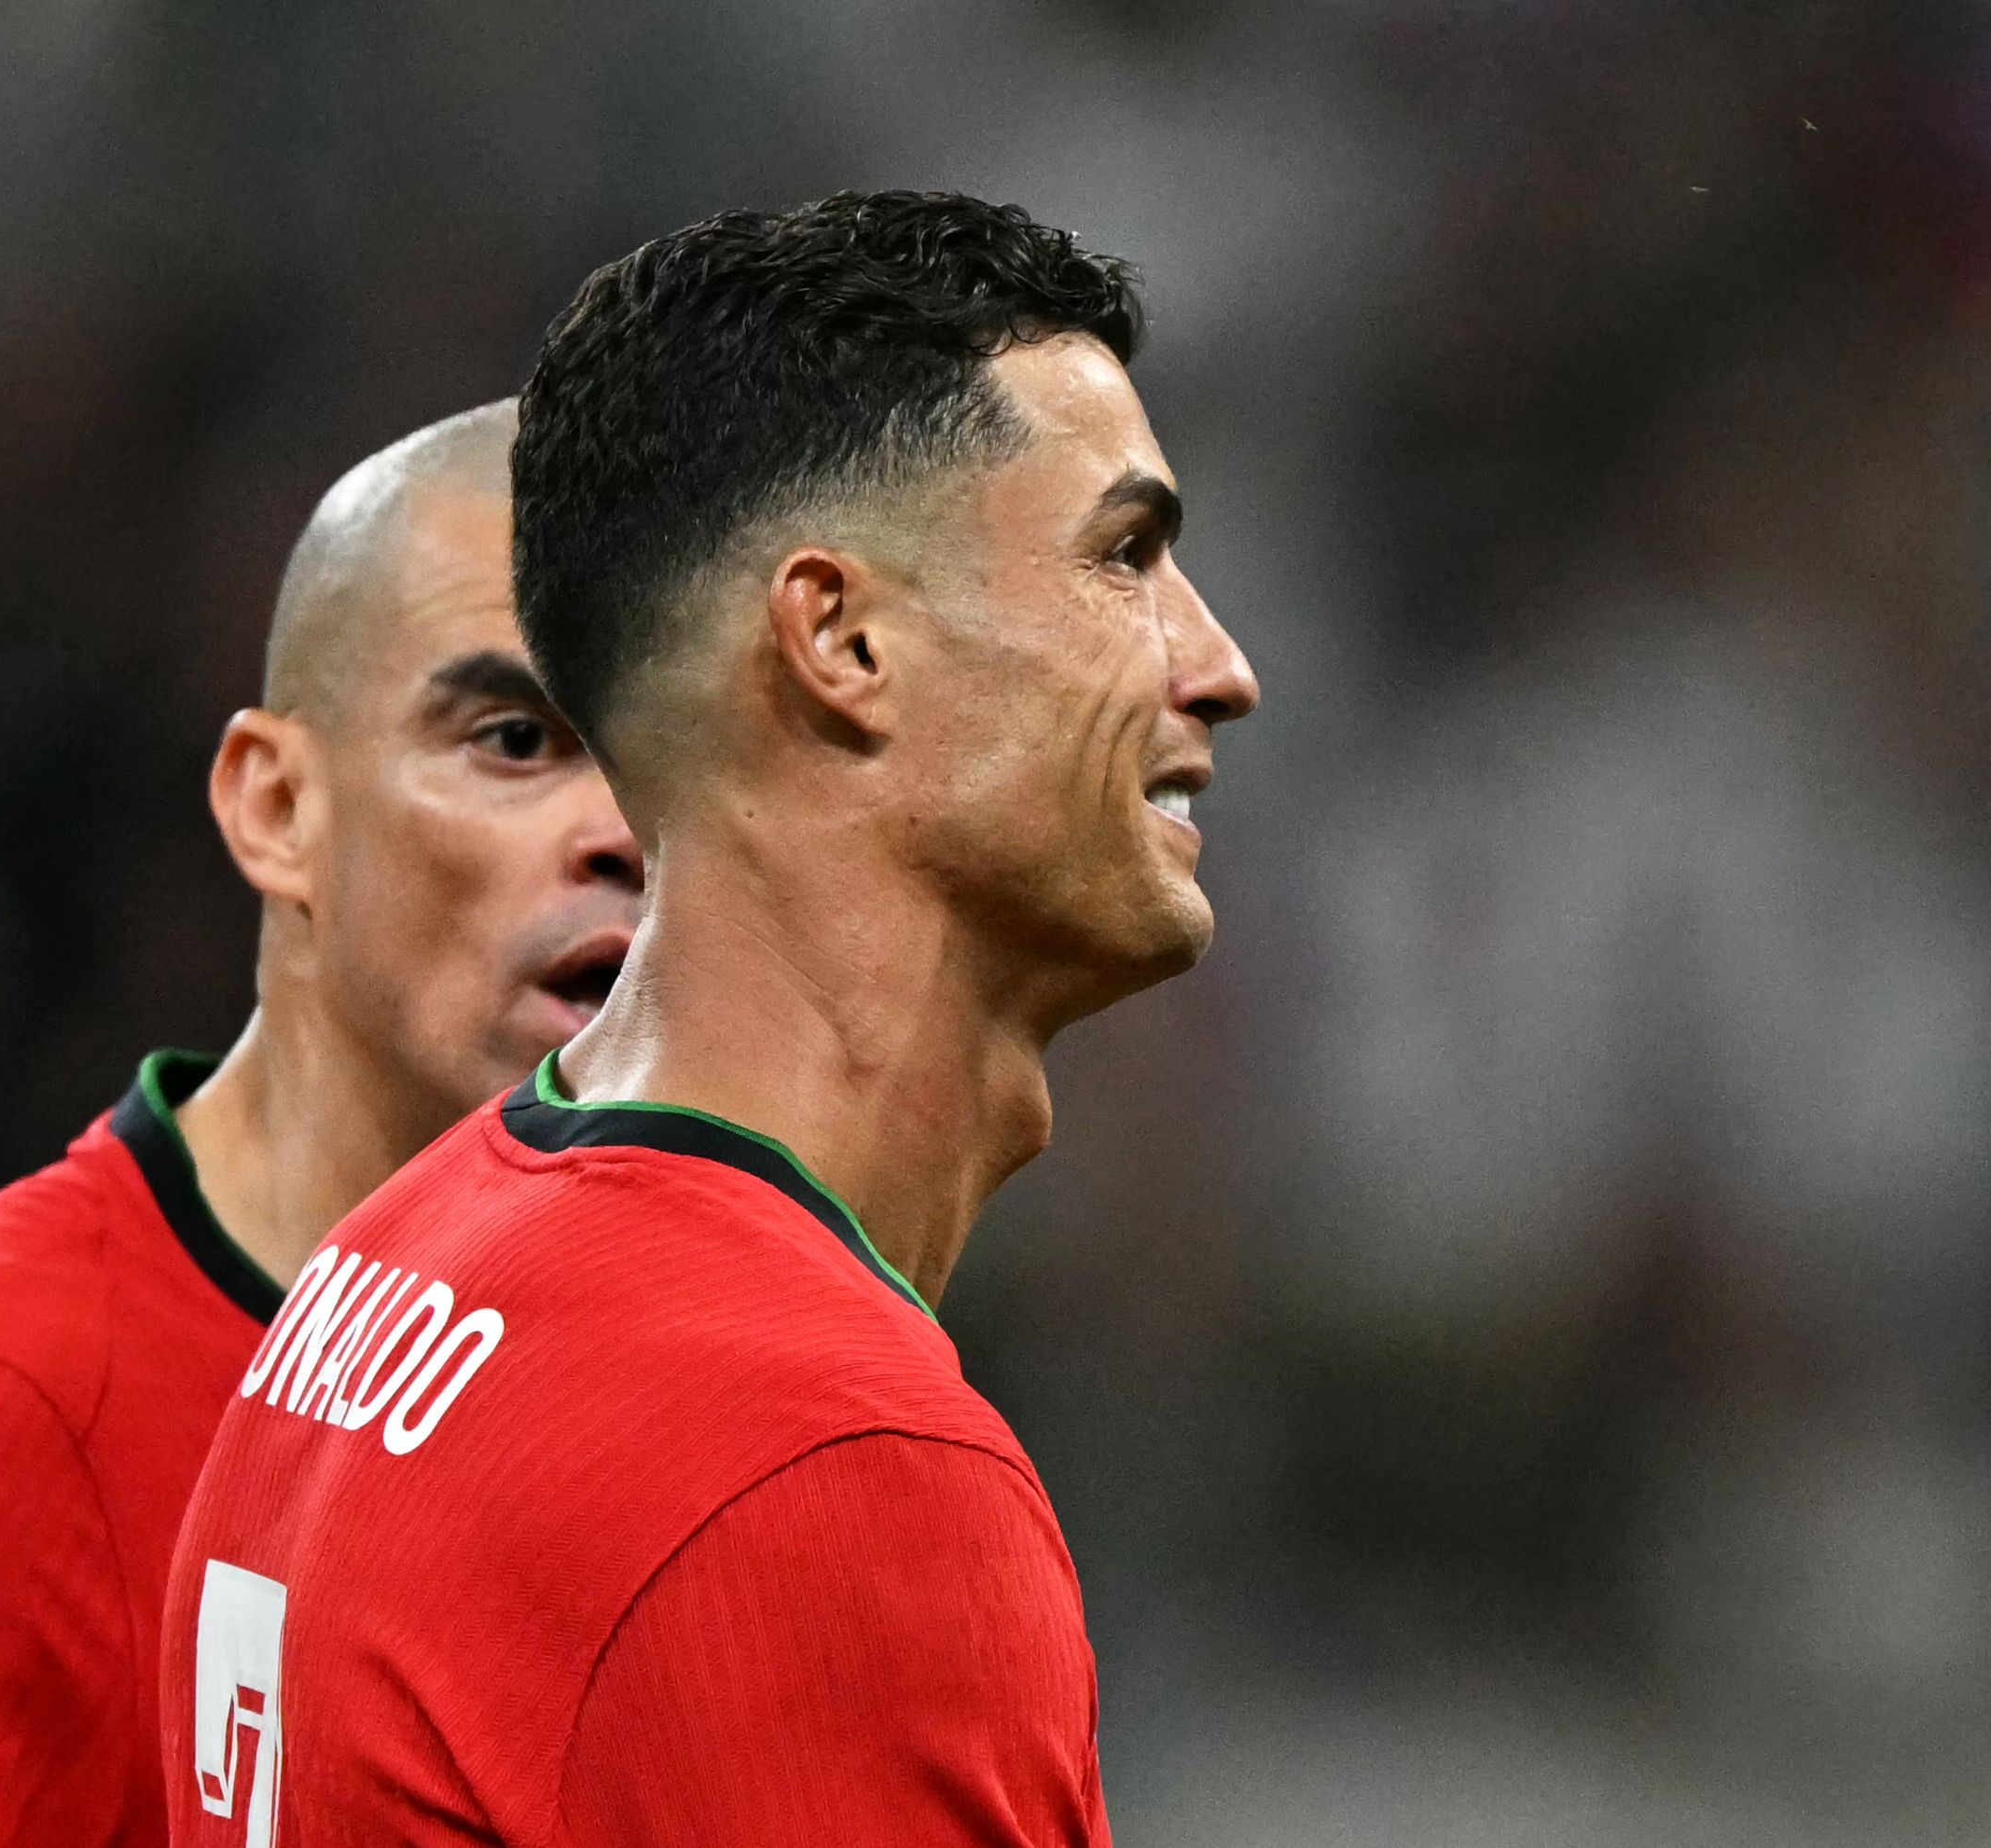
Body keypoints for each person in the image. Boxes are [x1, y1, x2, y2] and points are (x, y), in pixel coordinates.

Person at [159, 191, 1259, 1845]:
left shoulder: (378, 1280)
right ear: (841, 639)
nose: (1219, 663)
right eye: (1123, 556)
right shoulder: (824, 1469)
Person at [0, 402, 642, 1845]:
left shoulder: (691, 1405)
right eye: (514, 739)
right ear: (276, 805)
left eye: (671, 760)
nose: (623, 831)